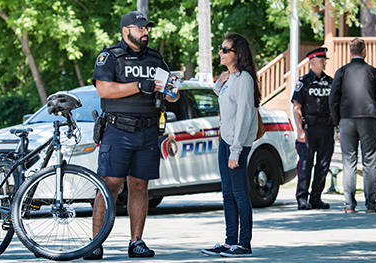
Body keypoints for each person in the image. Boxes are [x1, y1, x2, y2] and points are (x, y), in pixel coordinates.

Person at [86, 11, 179, 260]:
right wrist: (139, 86)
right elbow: (104, 90)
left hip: (148, 131)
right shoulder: (111, 57)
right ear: (126, 31)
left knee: (139, 186)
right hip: (118, 130)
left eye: (147, 28)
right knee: (109, 187)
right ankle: (95, 243)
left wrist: (171, 91)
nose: (145, 32)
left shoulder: (156, 59)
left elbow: (174, 94)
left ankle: (136, 242)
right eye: (140, 28)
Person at [201, 33, 260, 257]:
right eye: (221, 48)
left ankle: (244, 244)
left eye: (226, 50)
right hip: (225, 141)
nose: (221, 53)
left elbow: (244, 115)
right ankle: (229, 242)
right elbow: (220, 94)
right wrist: (221, 79)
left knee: (239, 194)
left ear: (239, 54)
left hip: (237, 144)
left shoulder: (244, 78)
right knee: (227, 194)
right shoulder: (232, 78)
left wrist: (236, 151)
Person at [329, 38, 376, 214]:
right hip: (369, 118)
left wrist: (337, 121)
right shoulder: (373, 72)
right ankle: (370, 205)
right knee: (370, 162)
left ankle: (349, 205)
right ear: (364, 51)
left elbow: (333, 99)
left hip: (347, 119)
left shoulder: (342, 71)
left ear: (350, 51)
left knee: (349, 162)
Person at [291, 47, 335, 210]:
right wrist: (300, 130)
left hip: (327, 128)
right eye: (321, 59)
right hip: (309, 129)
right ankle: (302, 198)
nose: (324, 62)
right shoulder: (303, 82)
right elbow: (297, 107)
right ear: (311, 62)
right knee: (305, 164)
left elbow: (336, 106)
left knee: (323, 165)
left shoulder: (330, 82)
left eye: (325, 59)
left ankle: (316, 197)